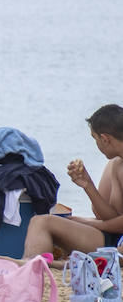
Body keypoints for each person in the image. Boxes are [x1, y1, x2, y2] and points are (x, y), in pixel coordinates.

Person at [22, 104, 123, 259]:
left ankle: (34, 268)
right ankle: (32, 269)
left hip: (117, 244)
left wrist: (90, 223)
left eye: (95, 139)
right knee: (40, 221)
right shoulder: (116, 164)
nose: (97, 145)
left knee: (46, 222)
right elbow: (109, 216)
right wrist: (87, 185)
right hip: (112, 238)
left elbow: (109, 222)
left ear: (105, 139)